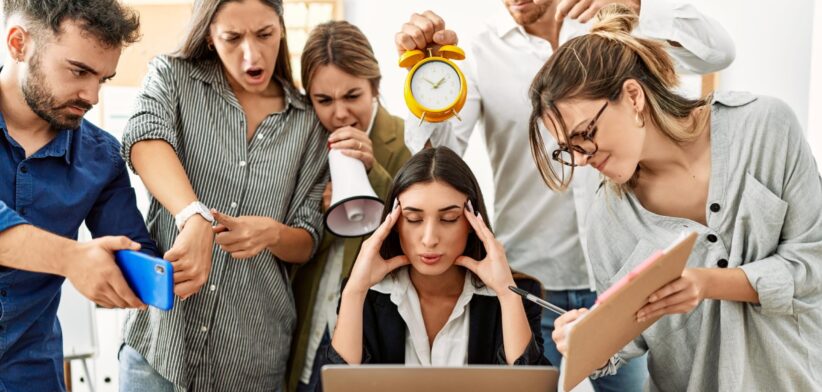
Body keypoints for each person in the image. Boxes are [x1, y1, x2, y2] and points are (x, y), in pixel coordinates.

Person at [393, 2, 735, 389]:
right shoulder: (478, 49)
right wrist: (426, 78)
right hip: (533, 284)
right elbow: (438, 157)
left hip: (624, 277)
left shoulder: (612, 25)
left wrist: (638, 5)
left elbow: (717, 52)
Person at [529, 5, 822, 391]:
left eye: (586, 134)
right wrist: (589, 339)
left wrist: (706, 282)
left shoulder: (766, 127)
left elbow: (811, 265)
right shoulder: (608, 216)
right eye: (569, 149)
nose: (582, 159)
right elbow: (628, 337)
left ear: (632, 96)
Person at [118, 0, 328, 390]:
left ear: (281, 27)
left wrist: (272, 234)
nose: (252, 54)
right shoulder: (172, 77)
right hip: (161, 348)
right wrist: (192, 215)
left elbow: (308, 238)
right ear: (210, 38)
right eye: (232, 38)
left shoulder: (307, 123)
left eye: (265, 34)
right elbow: (143, 138)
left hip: (251, 359)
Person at [0, 0, 156, 390]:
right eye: (78, 71)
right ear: (19, 44)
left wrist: (164, 272)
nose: (92, 95)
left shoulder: (102, 158)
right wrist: (72, 258)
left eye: (103, 78)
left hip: (30, 371)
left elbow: (132, 251)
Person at [318, 147, 548, 391]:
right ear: (394, 223)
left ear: (473, 222)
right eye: (414, 219)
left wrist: (506, 292)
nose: (429, 239)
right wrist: (354, 291)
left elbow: (530, 388)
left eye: (449, 219)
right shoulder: (369, 294)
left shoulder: (516, 294)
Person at [287, 21, 412, 392]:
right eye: (324, 101)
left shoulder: (408, 141)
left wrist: (374, 176)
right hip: (310, 327)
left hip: (375, 335)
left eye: (352, 95)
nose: (339, 113)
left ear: (375, 86)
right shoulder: (306, 146)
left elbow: (421, 235)